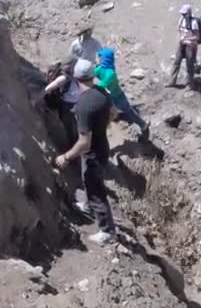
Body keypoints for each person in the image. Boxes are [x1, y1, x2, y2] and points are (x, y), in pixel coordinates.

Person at [54, 59, 117, 244]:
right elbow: (113, 113)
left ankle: (108, 232)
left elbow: (84, 143)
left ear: (75, 78)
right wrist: (100, 126)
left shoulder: (83, 105)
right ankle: (88, 207)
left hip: (93, 154)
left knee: (96, 190)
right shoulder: (103, 92)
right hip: (103, 146)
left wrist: (65, 157)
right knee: (88, 181)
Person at [95, 47, 149, 139]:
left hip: (118, 97)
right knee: (116, 113)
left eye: (99, 57)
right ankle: (120, 118)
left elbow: (101, 85)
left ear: (104, 59)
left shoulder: (110, 73)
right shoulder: (100, 69)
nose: (97, 59)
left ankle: (143, 125)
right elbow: (93, 74)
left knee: (129, 112)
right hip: (110, 97)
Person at [43, 56, 80, 151]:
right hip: (67, 107)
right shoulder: (64, 78)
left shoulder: (71, 75)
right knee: (70, 128)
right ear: (70, 67)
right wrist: (35, 99)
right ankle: (73, 148)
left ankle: (75, 144)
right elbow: (48, 89)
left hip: (72, 105)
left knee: (73, 125)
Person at [168, 4, 200, 89]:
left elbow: (197, 36)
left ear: (189, 13)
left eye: (184, 14)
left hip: (190, 46)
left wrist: (186, 38)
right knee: (176, 62)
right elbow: (179, 30)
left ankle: (190, 84)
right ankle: (172, 81)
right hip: (182, 44)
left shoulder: (194, 23)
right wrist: (180, 38)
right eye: (182, 13)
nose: (183, 15)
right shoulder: (181, 20)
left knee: (189, 65)